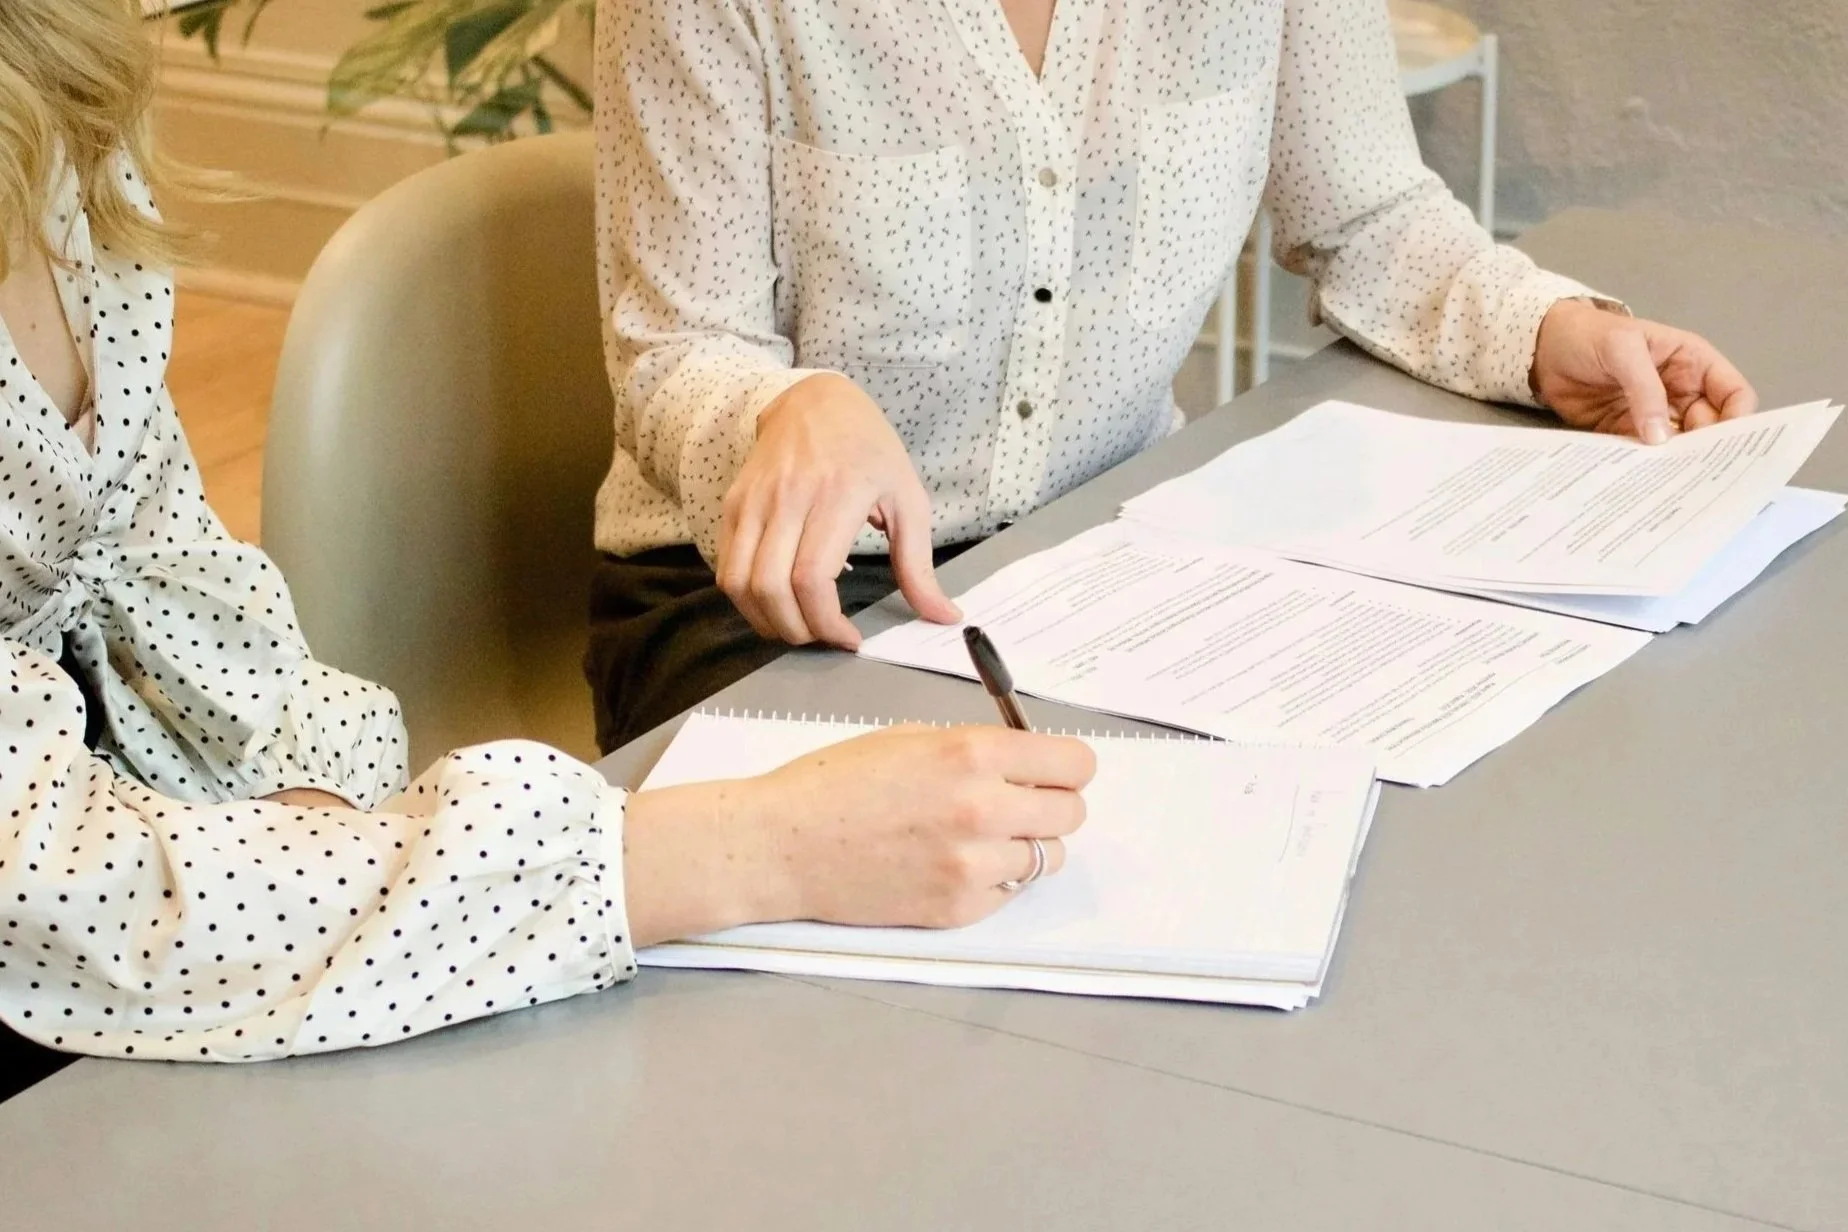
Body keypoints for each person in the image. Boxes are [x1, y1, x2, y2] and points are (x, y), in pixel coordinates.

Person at [0, 0, 1095, 1102]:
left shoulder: (58, 105)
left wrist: (326, 816)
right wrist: (764, 845)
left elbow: (173, 583)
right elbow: (62, 886)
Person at [587, 0, 1762, 751]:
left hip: (1101, 567)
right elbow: (674, 350)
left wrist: (1543, 326)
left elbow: (1366, 212)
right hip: (767, 601)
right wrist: (784, 409)